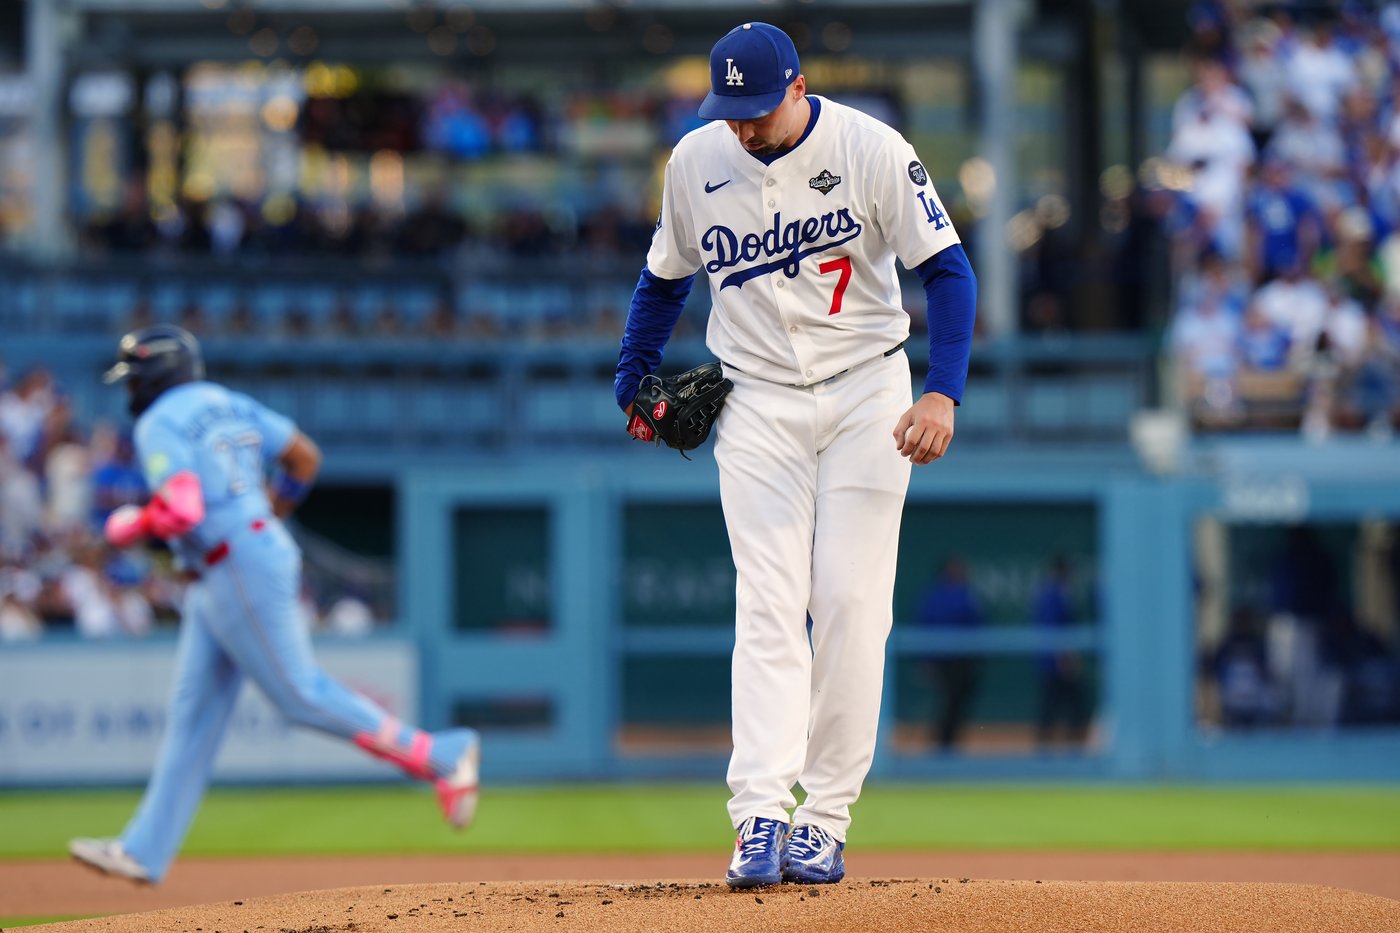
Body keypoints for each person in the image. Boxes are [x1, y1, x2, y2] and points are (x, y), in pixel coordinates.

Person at [614, 23, 976, 887]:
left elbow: (949, 271)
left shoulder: (870, 148)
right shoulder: (696, 161)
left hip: (867, 389)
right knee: (769, 601)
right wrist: (631, 377)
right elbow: (664, 277)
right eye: (730, 111)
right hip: (757, 399)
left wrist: (943, 391)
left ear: (799, 87)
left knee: (850, 602)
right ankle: (760, 816)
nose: (743, 126)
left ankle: (825, 819)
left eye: (758, 109)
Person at [69, 325, 480, 885]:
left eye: (134, 377)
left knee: (299, 694)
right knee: (193, 719)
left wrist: (133, 524)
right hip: (234, 559)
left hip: (234, 563)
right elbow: (304, 458)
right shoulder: (229, 402)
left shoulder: (159, 420)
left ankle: (441, 754)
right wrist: (264, 516)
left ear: (156, 375)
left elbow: (183, 509)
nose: (130, 389)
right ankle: (144, 849)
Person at [917, 557, 984, 752]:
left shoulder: (967, 594)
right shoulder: (935, 596)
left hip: (962, 660)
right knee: (946, 703)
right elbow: (925, 625)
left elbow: (976, 625)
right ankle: (941, 746)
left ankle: (949, 745)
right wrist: (926, 660)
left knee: (956, 704)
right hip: (943, 660)